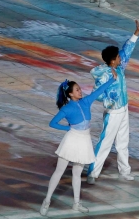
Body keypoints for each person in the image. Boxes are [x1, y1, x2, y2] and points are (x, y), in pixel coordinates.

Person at [41, 76, 116, 215]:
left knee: (77, 173)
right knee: (59, 171)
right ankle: (47, 201)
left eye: (80, 89)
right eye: (77, 90)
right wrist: (68, 129)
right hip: (71, 139)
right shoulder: (66, 108)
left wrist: (112, 79)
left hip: (84, 140)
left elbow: (99, 91)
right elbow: (52, 123)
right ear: (70, 94)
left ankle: (76, 204)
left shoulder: (86, 101)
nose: (80, 91)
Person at [87, 21, 139, 185]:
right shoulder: (104, 75)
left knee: (123, 143)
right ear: (112, 61)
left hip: (123, 110)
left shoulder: (119, 68)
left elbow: (127, 51)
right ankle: (92, 173)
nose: (120, 58)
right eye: (117, 57)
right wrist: (110, 99)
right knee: (105, 143)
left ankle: (124, 171)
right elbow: (96, 95)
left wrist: (135, 34)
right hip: (112, 113)